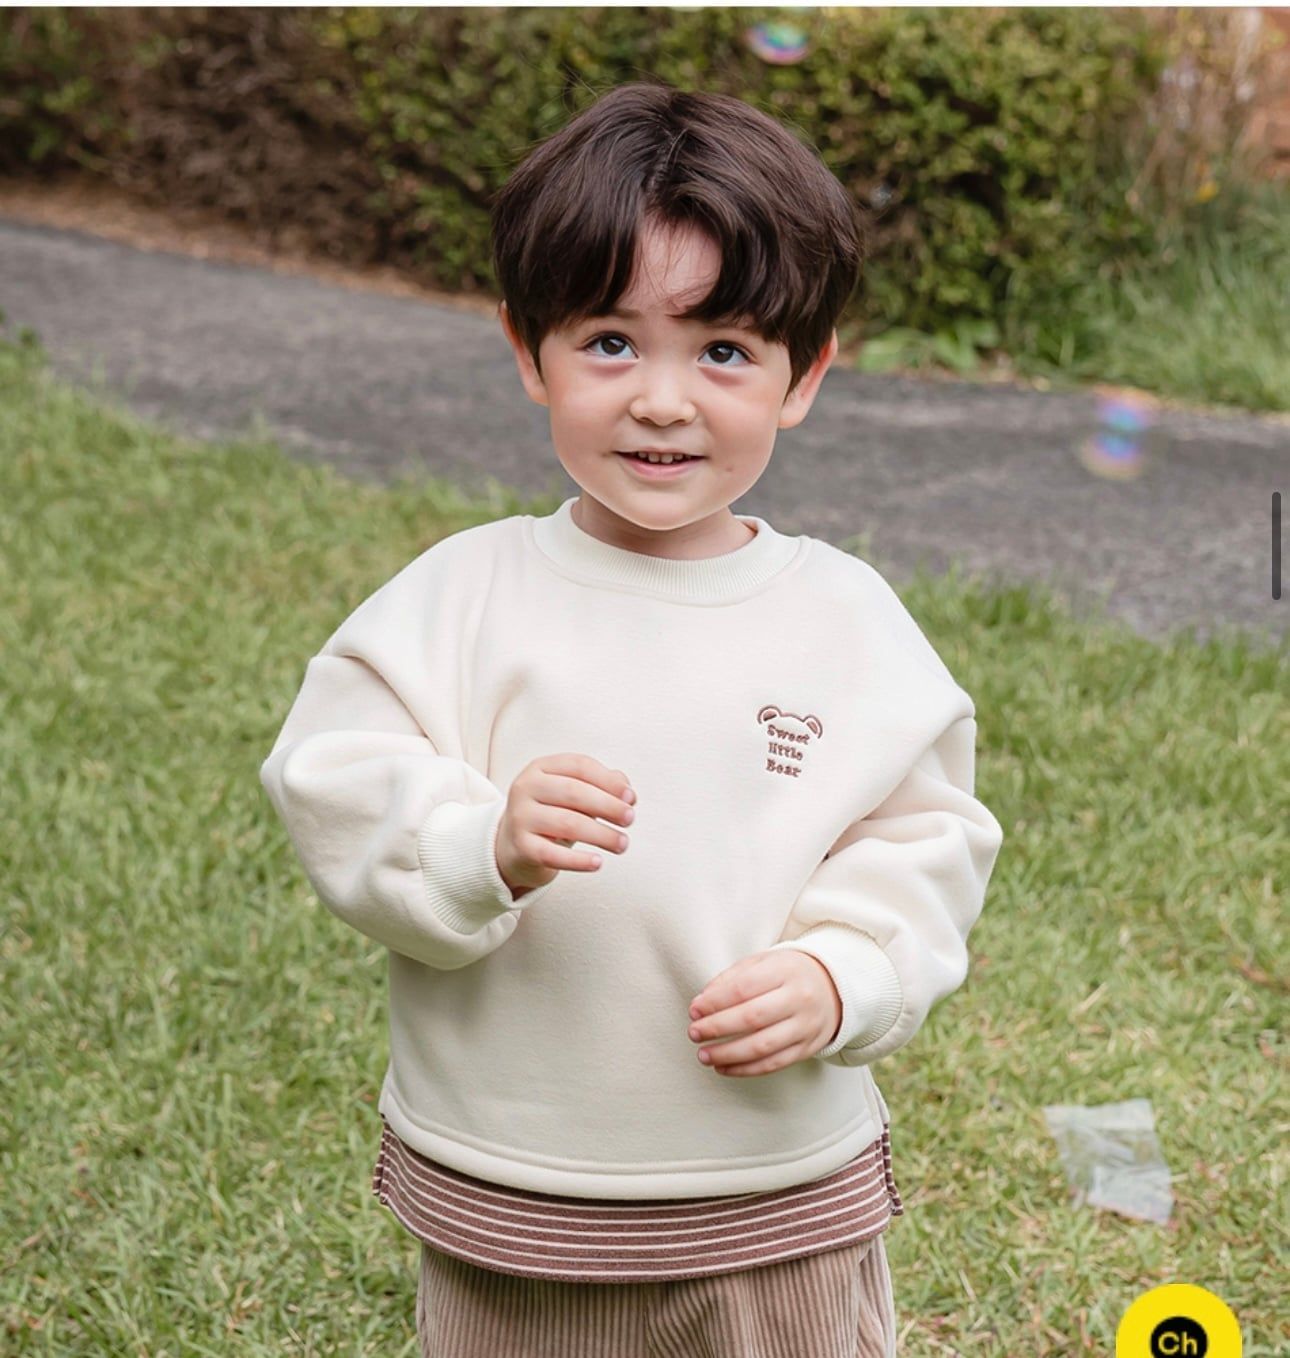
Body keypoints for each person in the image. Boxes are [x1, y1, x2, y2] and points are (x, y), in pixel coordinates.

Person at [259, 80, 1004, 1358]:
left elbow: (923, 837)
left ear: (805, 374)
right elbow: (332, 776)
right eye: (611, 341)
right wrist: (479, 839)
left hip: (772, 1186)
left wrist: (846, 971)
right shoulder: (465, 595)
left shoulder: (844, 619)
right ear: (528, 351)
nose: (663, 399)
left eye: (724, 351)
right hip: (516, 1174)